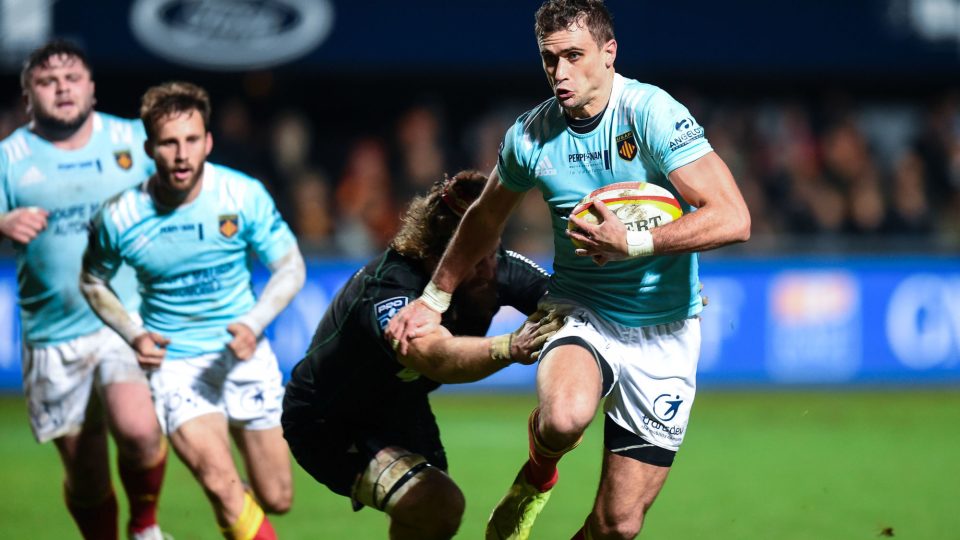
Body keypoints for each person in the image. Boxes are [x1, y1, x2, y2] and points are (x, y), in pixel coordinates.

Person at [386, 1, 752, 538]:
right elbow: (484, 220)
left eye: (574, 56)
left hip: (667, 331)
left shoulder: (650, 113)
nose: (559, 73)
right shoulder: (530, 136)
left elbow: (734, 218)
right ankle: (536, 476)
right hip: (582, 311)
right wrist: (434, 300)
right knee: (563, 417)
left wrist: (634, 241)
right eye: (549, 59)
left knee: (618, 526)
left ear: (608, 54)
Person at [282, 170, 564, 540]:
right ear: (436, 257)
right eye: (474, 259)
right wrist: (508, 347)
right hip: (328, 417)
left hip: (401, 406)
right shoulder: (393, 286)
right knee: (439, 503)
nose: (489, 269)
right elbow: (431, 355)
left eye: (492, 250)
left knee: (433, 521)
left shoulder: (496, 266)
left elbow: (569, 304)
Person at [80, 81, 305, 540]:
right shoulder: (120, 216)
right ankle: (225, 498)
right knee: (223, 488)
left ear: (208, 142)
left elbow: (290, 266)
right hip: (176, 365)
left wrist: (254, 322)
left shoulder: (241, 196)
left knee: (277, 497)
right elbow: (92, 280)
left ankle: (234, 509)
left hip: (242, 354)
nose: (181, 154)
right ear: (149, 147)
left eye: (190, 141)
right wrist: (134, 334)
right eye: (168, 142)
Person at [0, 40, 168, 540]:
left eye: (72, 78)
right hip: (53, 334)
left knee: (139, 431)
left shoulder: (132, 140)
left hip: (125, 321)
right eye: (47, 82)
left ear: (91, 87)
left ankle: (145, 528)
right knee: (86, 472)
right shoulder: (10, 158)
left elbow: (182, 190)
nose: (62, 89)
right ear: (29, 96)